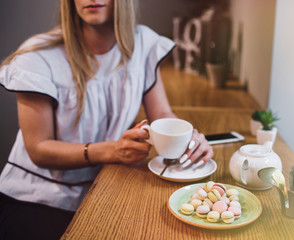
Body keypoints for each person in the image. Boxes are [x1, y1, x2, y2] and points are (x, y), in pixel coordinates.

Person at [0, 0, 213, 239]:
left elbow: (162, 114)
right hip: (37, 197)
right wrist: (113, 151)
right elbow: (39, 149)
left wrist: (189, 140)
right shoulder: (37, 56)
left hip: (105, 187)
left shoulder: (142, 43)